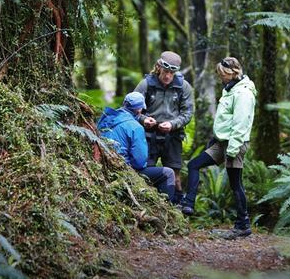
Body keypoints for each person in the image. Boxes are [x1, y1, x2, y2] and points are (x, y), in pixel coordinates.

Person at [180, 57, 256, 238]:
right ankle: (188, 204)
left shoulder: (243, 93)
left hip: (234, 145)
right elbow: (226, 121)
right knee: (193, 165)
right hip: (222, 143)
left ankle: (243, 225)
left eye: (222, 74)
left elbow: (240, 123)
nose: (220, 77)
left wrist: (232, 150)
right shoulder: (230, 90)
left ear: (232, 73)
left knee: (235, 184)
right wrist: (215, 140)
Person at [133, 51, 194, 203]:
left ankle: (176, 206)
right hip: (148, 136)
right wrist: (144, 119)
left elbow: (188, 113)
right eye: (165, 72)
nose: (168, 76)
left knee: (175, 174)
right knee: (146, 172)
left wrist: (173, 124)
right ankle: (149, 203)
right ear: (159, 67)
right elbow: (130, 108)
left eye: (172, 73)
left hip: (172, 136)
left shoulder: (183, 87)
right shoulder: (146, 84)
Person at [97, 91, 175, 201]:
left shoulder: (106, 117)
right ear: (139, 110)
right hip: (122, 169)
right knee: (168, 173)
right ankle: (169, 209)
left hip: (102, 164)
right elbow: (139, 162)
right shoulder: (136, 127)